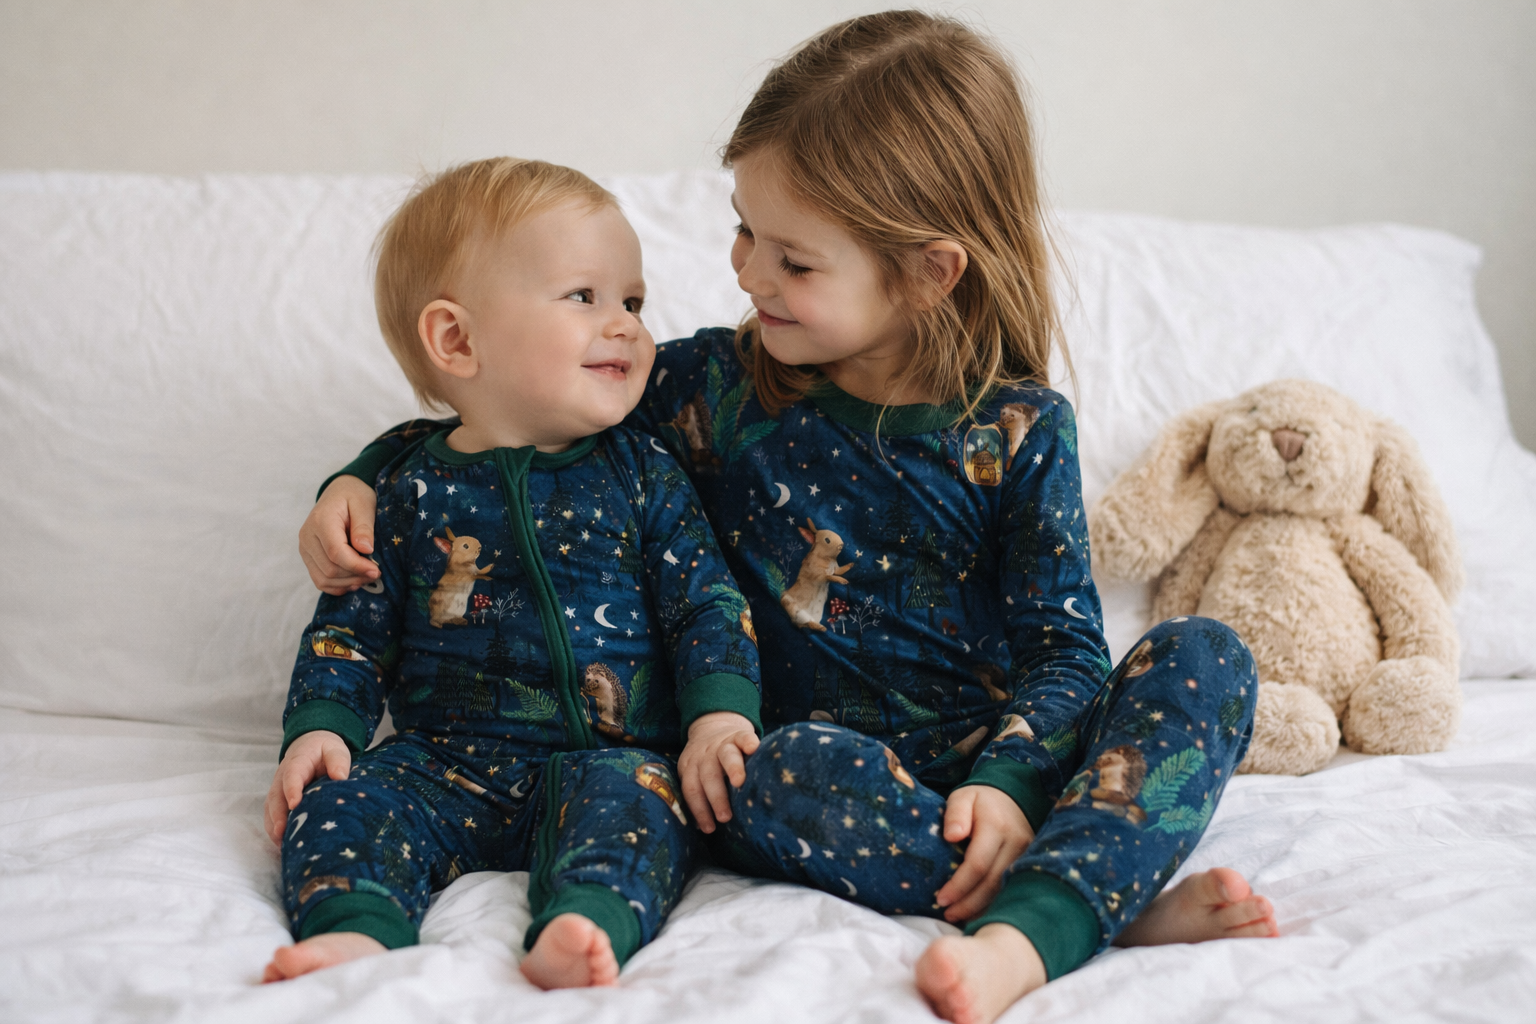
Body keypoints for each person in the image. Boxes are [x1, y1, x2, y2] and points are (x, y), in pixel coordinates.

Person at [299, 13, 1276, 1023]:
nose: (747, 272)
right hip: (818, 776)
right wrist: (364, 476)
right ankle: (1081, 900)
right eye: (743, 228)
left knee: (1207, 655)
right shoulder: (712, 387)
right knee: (753, 773)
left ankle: (1035, 920)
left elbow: (1065, 649)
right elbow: (527, 411)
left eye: (794, 261)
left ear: (930, 272)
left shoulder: (1021, 430)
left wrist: (1015, 779)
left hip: (1007, 757)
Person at [262, 157, 762, 990]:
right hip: (441, 759)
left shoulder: (644, 470)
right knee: (345, 803)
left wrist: (718, 716)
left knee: (642, 805)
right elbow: (351, 627)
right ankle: (356, 926)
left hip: (611, 754)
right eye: (585, 297)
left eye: (633, 301)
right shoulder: (408, 488)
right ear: (457, 340)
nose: (628, 326)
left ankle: (586, 920)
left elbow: (705, 602)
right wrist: (322, 728)